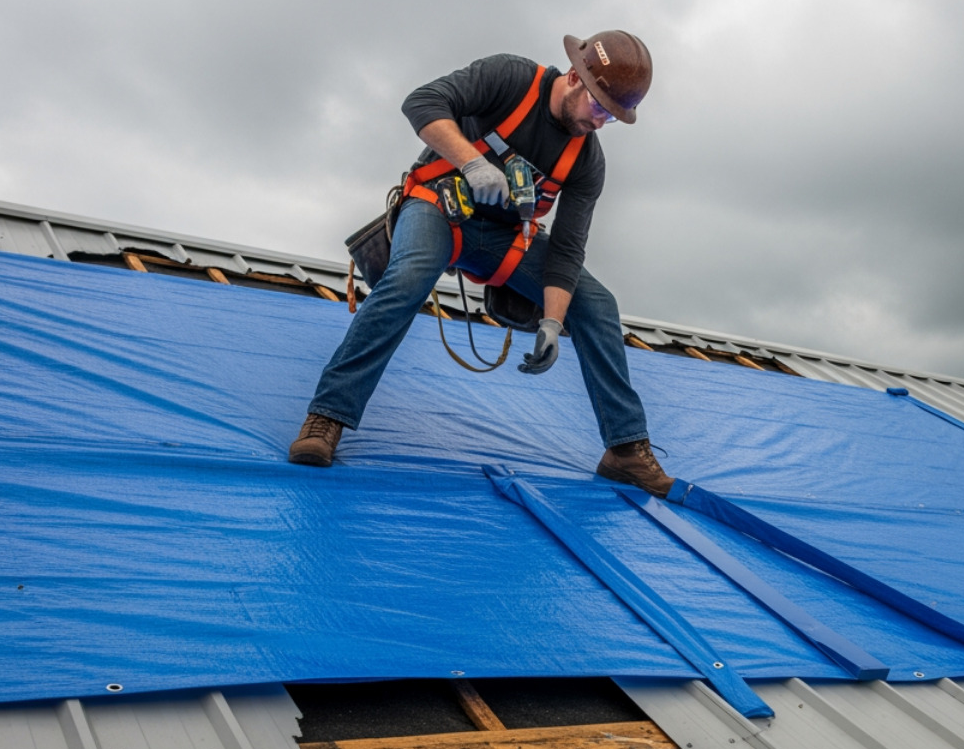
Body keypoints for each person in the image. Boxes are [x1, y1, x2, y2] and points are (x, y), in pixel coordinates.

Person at [288, 31, 675, 497]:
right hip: (440, 207)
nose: (601, 121)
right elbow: (421, 102)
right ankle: (327, 416)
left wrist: (553, 322)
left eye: (612, 116)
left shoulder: (586, 161)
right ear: (575, 77)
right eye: (598, 106)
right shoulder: (510, 78)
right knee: (407, 279)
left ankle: (625, 449)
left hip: (506, 240)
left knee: (596, 304)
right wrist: (472, 163)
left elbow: (568, 250)